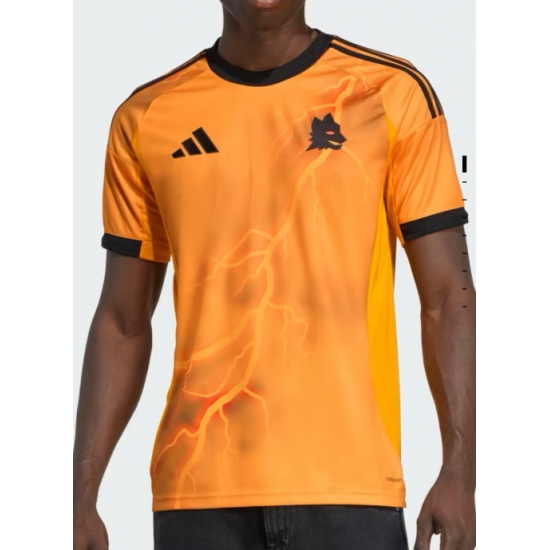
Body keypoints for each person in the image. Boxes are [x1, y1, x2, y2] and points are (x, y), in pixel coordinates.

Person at [73, 1, 476, 549]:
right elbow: (121, 320)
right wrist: (82, 497)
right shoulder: (147, 116)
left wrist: (459, 472)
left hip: (351, 487)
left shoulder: (391, 93)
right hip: (196, 491)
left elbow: (448, 294)